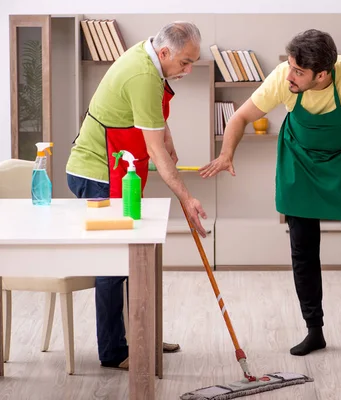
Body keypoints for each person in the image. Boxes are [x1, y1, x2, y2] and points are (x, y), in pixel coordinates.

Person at [198, 29, 341, 356]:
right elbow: (242, 116)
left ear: (323, 74)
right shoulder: (283, 79)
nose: (289, 75)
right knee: (303, 250)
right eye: (290, 66)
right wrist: (226, 154)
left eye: (298, 72)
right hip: (300, 164)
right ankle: (314, 330)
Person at [65, 21, 209, 370]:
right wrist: (188, 200)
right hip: (97, 173)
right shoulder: (142, 75)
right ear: (164, 53)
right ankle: (114, 351)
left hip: (115, 170)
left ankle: (138, 335)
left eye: (192, 62)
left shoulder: (151, 61)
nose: (188, 70)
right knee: (114, 266)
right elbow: (156, 153)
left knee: (134, 261)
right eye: (185, 63)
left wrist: (169, 141)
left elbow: (151, 116)